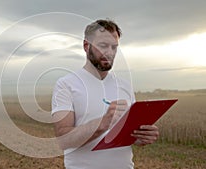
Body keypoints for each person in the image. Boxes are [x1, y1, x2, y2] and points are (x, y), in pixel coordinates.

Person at [51, 19, 159, 169]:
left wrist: (141, 137)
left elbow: (129, 135)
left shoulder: (125, 86)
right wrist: (102, 123)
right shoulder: (66, 85)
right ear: (86, 46)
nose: (109, 52)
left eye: (114, 47)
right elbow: (63, 140)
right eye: (103, 46)